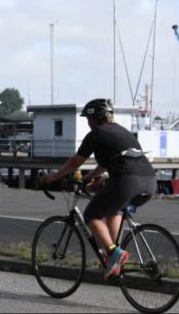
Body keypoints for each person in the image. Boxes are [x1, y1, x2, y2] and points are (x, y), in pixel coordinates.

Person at [42, 99, 157, 280]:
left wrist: (53, 177)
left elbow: (75, 162)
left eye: (88, 119)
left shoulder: (96, 134)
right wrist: (88, 179)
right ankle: (113, 256)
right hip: (150, 181)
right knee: (114, 209)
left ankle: (113, 253)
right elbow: (104, 165)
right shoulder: (122, 131)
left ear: (93, 118)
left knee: (91, 216)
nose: (87, 123)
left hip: (127, 181)